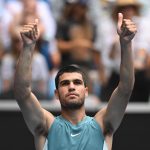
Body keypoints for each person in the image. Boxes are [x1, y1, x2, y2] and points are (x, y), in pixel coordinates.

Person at [14, 13, 136, 150]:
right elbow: (22, 92)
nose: (71, 87)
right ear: (56, 94)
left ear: (86, 91)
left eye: (77, 82)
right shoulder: (46, 125)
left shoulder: (103, 123)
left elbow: (125, 88)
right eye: (65, 83)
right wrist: (28, 47)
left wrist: (126, 44)